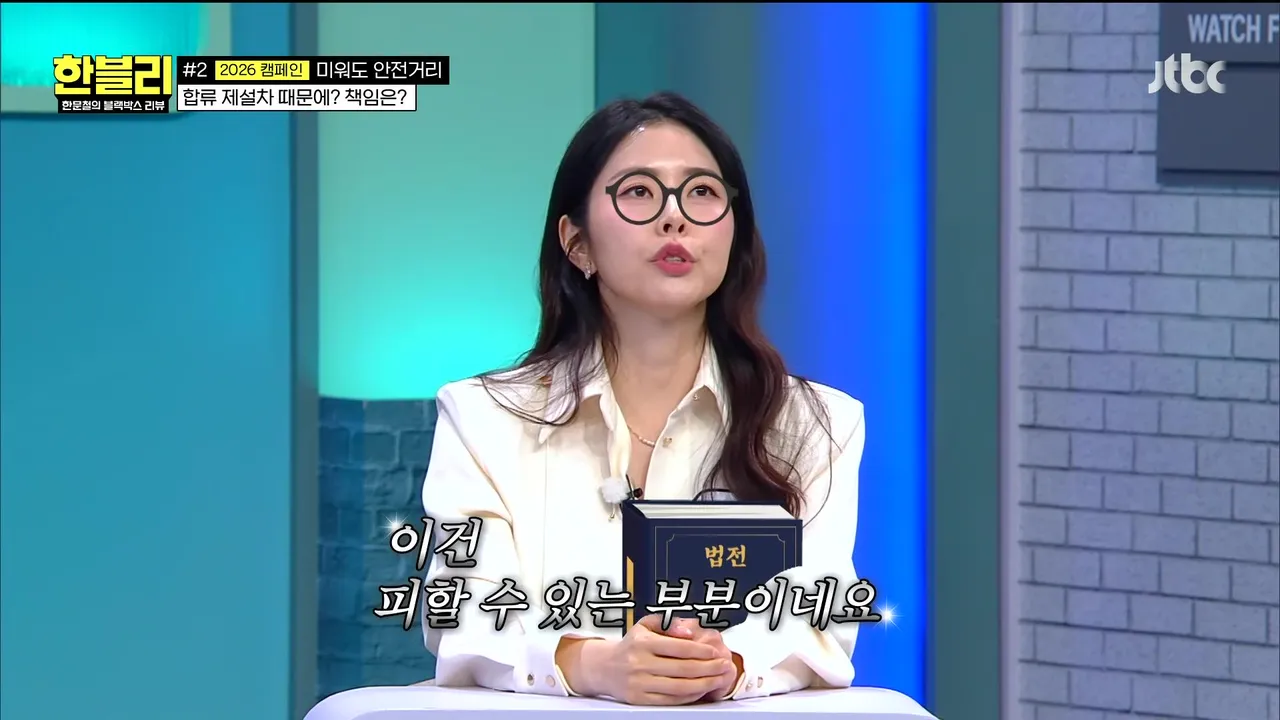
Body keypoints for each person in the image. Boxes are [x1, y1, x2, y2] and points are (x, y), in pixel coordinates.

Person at [419, 91, 867, 705]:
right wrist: (588, 665)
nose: (675, 217)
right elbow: (462, 612)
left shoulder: (815, 424)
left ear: (734, 235)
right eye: (638, 192)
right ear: (577, 243)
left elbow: (821, 617)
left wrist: (728, 664)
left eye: (702, 192)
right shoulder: (483, 418)